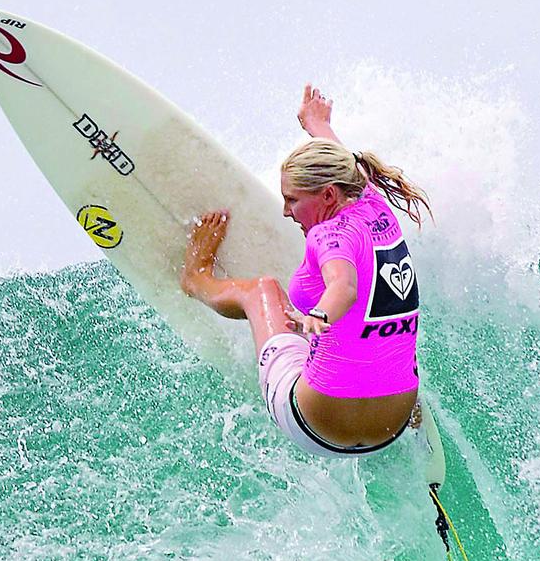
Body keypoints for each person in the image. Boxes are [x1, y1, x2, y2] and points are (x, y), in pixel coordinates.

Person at [180, 85, 432, 456]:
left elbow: (343, 286)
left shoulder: (328, 234)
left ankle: (196, 278)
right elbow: (346, 163)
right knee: (375, 332)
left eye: (293, 200)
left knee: (263, 291)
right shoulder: (375, 205)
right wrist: (317, 124)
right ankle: (412, 415)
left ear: (328, 197)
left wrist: (317, 317)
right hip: (390, 426)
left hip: (316, 427)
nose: (285, 211)